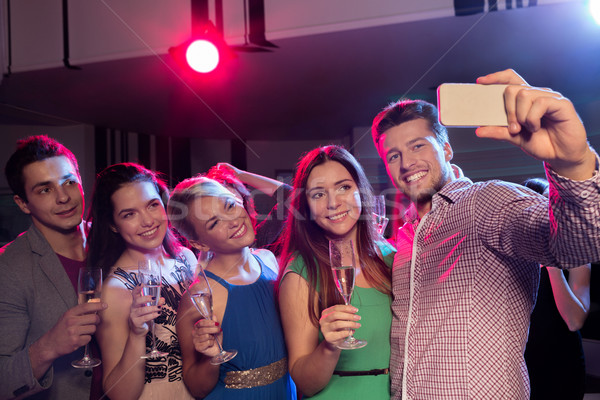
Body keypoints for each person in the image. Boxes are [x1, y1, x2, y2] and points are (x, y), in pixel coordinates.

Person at [370, 69, 600, 399]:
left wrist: (573, 163)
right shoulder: (404, 240)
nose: (406, 162)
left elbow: (577, 243)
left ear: (446, 150)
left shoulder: (486, 202)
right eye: (393, 155)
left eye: (418, 145)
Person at [277, 145, 396, 399]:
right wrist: (330, 346)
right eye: (318, 194)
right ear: (306, 207)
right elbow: (304, 384)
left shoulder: (390, 256)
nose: (333, 203)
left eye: (344, 187)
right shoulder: (300, 272)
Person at [167, 176, 296, 399]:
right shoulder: (199, 297)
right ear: (200, 244)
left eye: (229, 205)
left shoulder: (270, 263)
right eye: (214, 223)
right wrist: (210, 358)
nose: (233, 221)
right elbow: (196, 389)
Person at [0, 135, 105, 400]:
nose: (63, 197)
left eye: (69, 182)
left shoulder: (116, 241)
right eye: (44, 189)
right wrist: (48, 347)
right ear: (23, 203)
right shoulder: (8, 268)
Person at [86, 163, 197, 400]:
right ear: (112, 225)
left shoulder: (186, 259)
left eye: (152, 205)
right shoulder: (116, 290)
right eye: (129, 214)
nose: (147, 221)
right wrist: (137, 334)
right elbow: (119, 394)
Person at [522, 177, 591, 400]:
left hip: (563, 362)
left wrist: (552, 265)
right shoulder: (515, 254)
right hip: (522, 363)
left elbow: (574, 321)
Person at [206, 162, 292, 251]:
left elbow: (291, 197)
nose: (233, 222)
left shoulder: (256, 241)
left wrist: (241, 175)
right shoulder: (205, 256)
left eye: (232, 204)